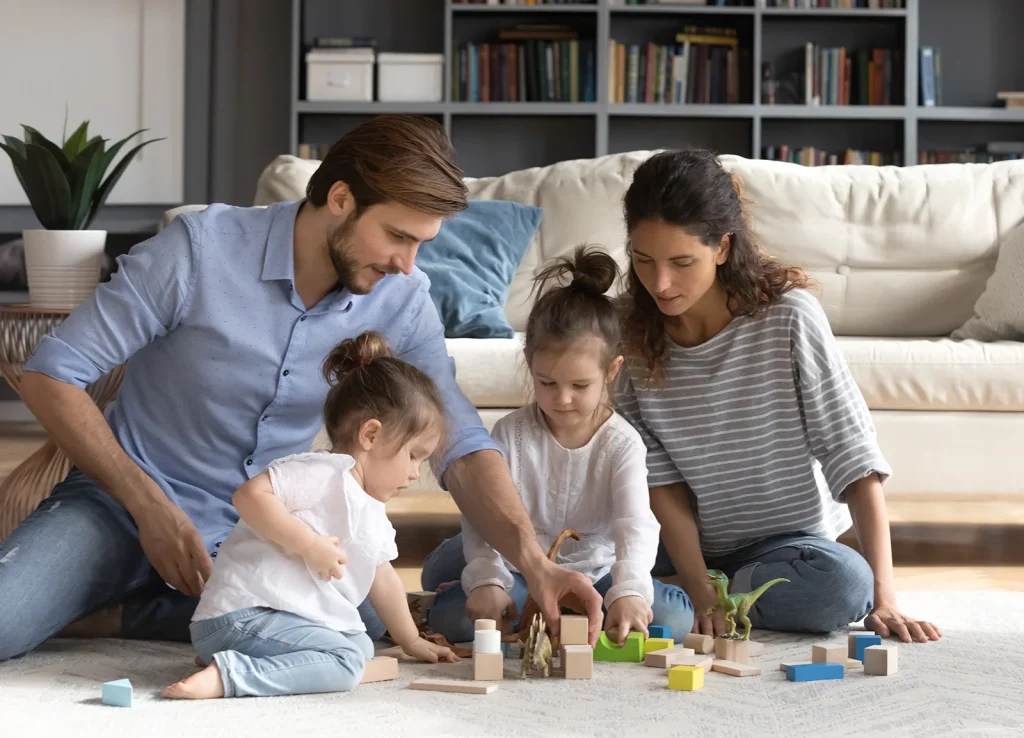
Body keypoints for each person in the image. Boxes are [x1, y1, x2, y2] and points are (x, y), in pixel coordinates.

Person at [0, 115, 602, 662]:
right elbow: (51, 372)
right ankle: (131, 597)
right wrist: (149, 505)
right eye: (397, 236)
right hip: (122, 503)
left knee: (360, 629)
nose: (409, 265)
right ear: (340, 199)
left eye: (422, 244)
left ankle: (115, 615)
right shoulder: (198, 250)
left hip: (268, 531)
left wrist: (534, 562)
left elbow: (460, 439)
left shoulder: (402, 299)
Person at [612, 148, 941, 643]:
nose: (660, 283)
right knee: (566, 552)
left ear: (722, 247)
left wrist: (886, 598)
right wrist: (700, 584)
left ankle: (663, 597)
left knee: (847, 586)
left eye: (682, 262)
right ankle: (675, 595)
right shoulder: (627, 332)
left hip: (783, 549)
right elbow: (658, 481)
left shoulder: (789, 318)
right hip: (673, 546)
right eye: (643, 260)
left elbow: (853, 458)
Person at [163, 332, 457, 700]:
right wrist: (308, 545)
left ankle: (239, 655)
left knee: (362, 646)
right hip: (244, 615)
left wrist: (412, 640)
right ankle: (231, 675)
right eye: (413, 455)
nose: (415, 473)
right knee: (348, 660)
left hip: (267, 621)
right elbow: (249, 496)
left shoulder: (372, 511)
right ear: (370, 434)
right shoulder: (324, 472)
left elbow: (383, 578)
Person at [425, 247, 694, 645]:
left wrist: (630, 592)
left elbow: (634, 526)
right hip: (521, 567)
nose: (561, 399)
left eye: (580, 386)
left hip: (595, 570)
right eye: (546, 382)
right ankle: (457, 574)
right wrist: (488, 580)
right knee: (459, 620)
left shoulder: (623, 445)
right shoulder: (510, 434)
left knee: (672, 617)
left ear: (612, 370)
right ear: (529, 364)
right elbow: (484, 518)